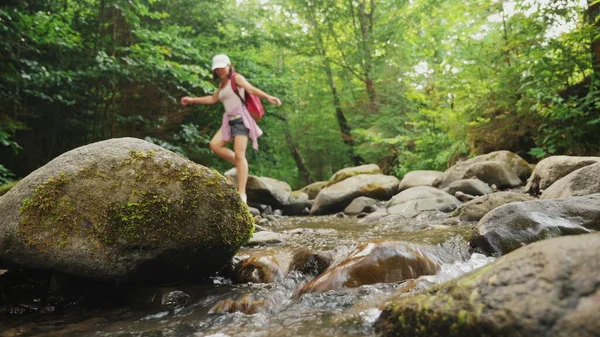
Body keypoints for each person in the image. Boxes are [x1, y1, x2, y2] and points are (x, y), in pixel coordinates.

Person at [180, 54, 282, 204]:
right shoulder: (222, 84)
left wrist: (268, 97)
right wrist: (192, 100)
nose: (220, 71)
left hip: (241, 119)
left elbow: (251, 89)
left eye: (222, 67)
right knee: (215, 145)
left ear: (228, 65)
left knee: (240, 155)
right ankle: (242, 165)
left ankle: (242, 193)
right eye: (217, 69)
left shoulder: (236, 78)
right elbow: (213, 99)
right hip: (228, 120)